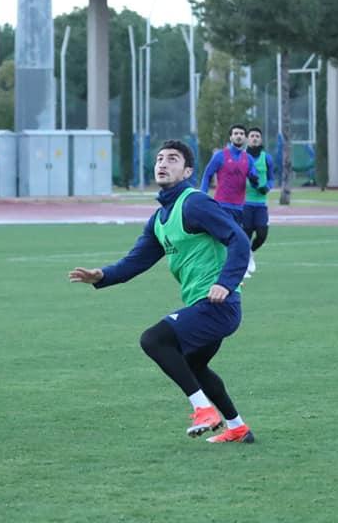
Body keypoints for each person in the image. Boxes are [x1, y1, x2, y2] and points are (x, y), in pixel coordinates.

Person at [69, 139, 255, 444]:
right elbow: (135, 261)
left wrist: (225, 282)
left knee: (154, 339)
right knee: (193, 365)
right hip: (203, 304)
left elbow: (239, 239)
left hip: (219, 305)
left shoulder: (195, 203)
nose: (163, 164)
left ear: (188, 171)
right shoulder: (159, 219)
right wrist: (102, 275)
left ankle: (204, 411)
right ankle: (238, 428)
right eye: (159, 159)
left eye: (172, 159)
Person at [199, 124, 262, 226]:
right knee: (222, 234)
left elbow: (254, 182)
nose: (238, 136)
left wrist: (254, 181)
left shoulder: (248, 159)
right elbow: (207, 175)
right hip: (221, 205)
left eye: (241, 134)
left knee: (236, 234)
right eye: (236, 133)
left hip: (239, 207)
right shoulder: (220, 155)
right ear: (231, 137)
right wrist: (202, 195)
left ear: (245, 138)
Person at [242, 127, 274, 278]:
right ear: (247, 139)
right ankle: (244, 265)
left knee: (262, 234)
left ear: (260, 139)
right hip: (245, 203)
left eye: (257, 136)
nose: (254, 138)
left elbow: (272, 178)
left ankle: (250, 252)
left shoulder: (266, 158)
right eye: (252, 136)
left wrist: (267, 187)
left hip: (261, 204)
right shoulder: (242, 157)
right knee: (245, 235)